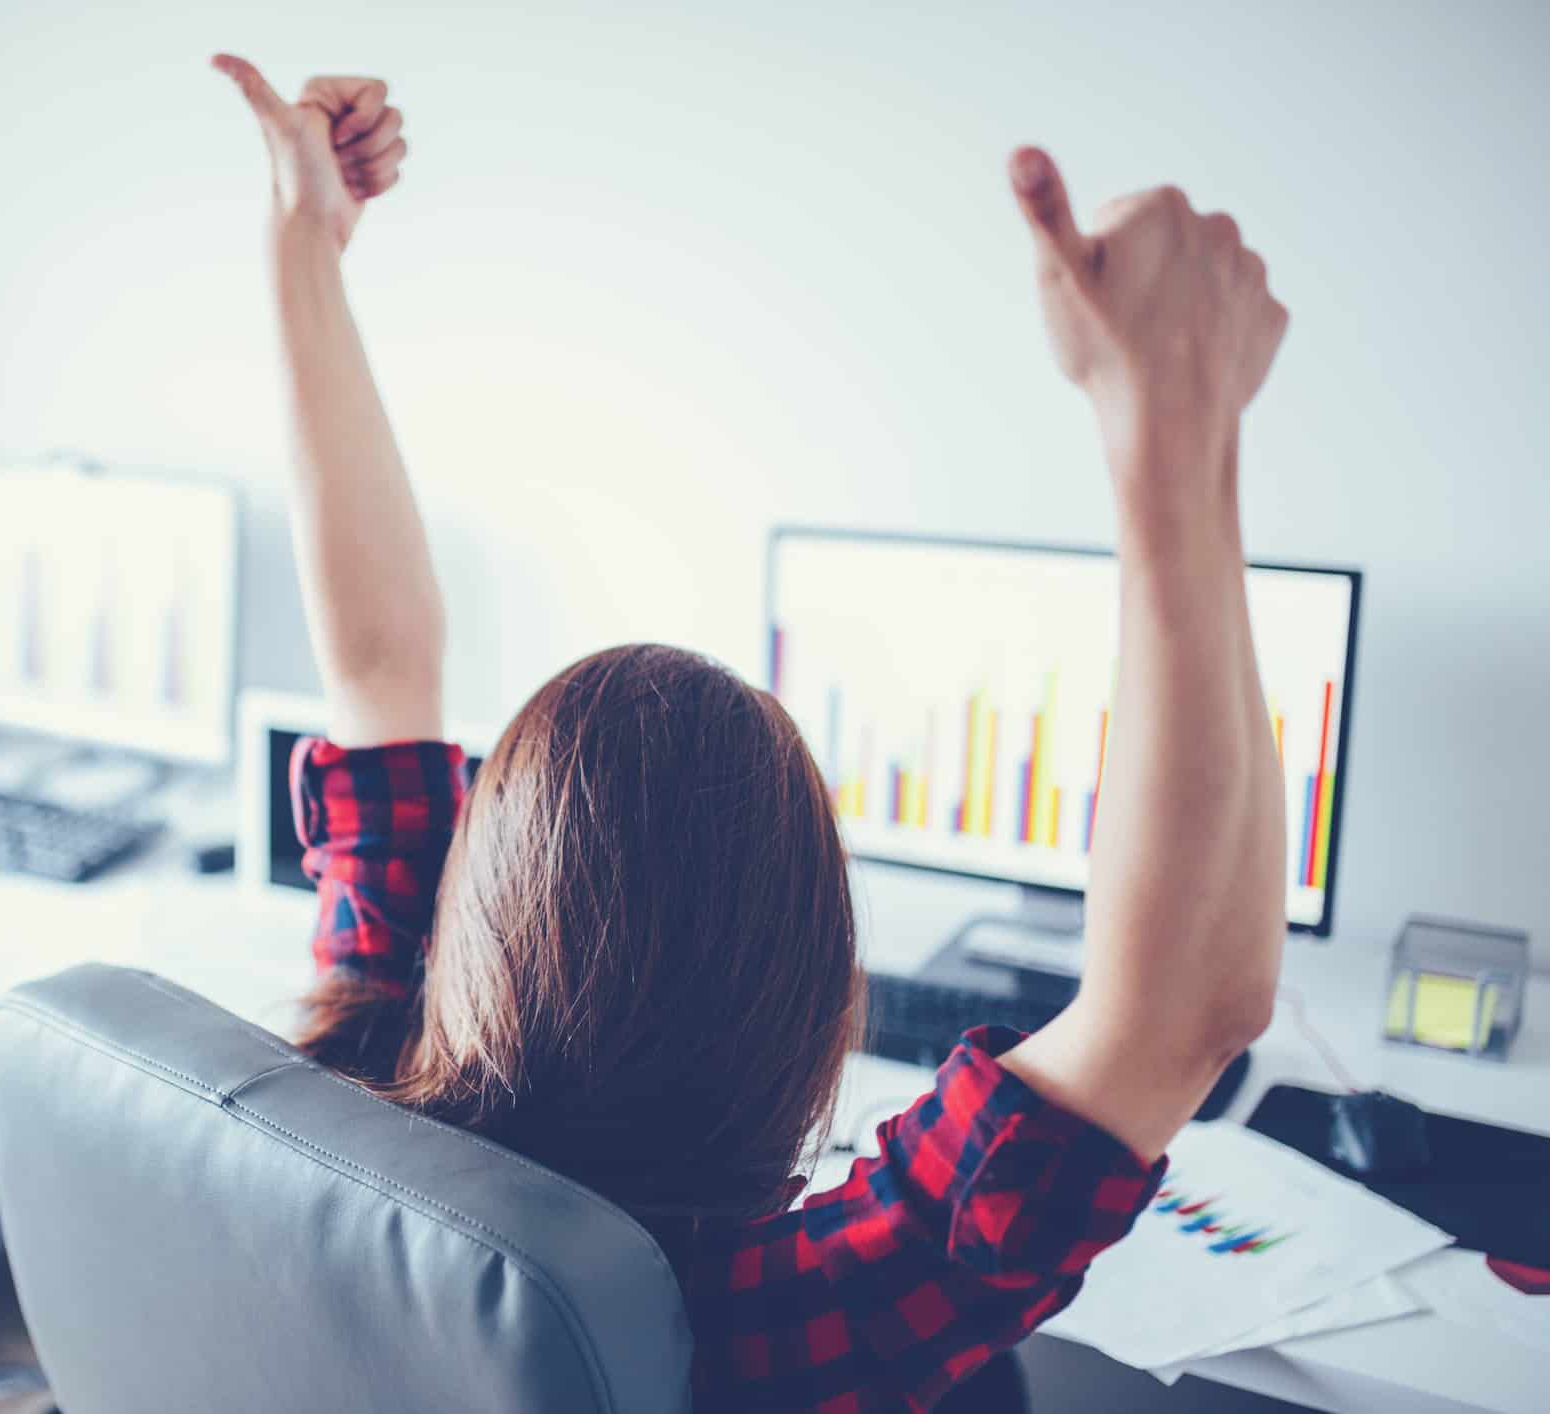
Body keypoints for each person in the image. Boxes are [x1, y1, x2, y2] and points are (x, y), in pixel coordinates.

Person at [213, 52, 1290, 1413]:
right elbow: (1186, 1004)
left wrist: (300, 235)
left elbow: (376, 663)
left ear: (476, 902)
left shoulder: (356, 1092)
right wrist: (1178, 420)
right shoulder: (746, 1326)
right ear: (811, 1002)